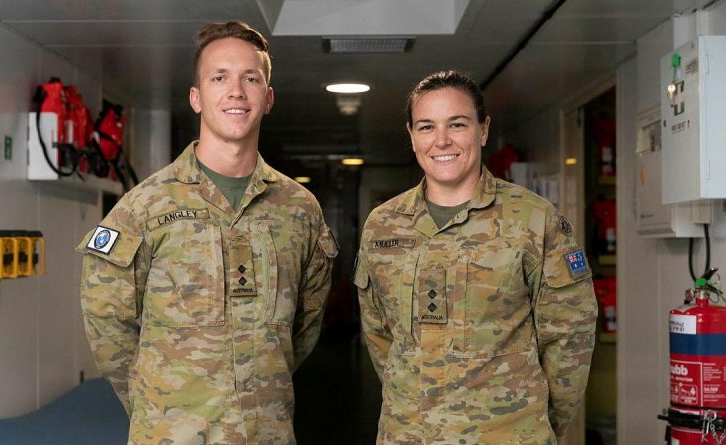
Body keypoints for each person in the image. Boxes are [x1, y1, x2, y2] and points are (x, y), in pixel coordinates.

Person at [77, 21, 338, 444]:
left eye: (250, 79)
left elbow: (304, 329)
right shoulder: (142, 209)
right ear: (196, 98)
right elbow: (109, 328)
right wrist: (162, 404)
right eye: (220, 78)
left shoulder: (299, 210)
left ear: (267, 98)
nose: (236, 91)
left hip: (266, 433)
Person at [354, 70, 597, 444]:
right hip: (407, 434)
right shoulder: (383, 225)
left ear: (483, 130)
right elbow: (380, 335)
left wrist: (535, 424)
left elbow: (570, 335)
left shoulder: (533, 219)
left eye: (457, 124)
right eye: (426, 127)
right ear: (411, 136)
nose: (442, 141)